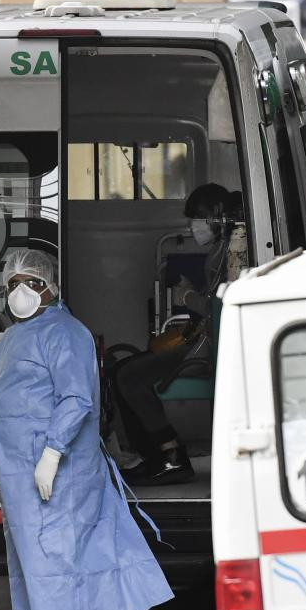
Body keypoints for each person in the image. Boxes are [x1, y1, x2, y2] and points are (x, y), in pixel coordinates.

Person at [0, 249, 173, 610]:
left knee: (60, 574)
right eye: (13, 282)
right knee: (34, 574)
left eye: (31, 281)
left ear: (51, 286)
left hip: (58, 481)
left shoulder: (65, 334)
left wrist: (52, 454)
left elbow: (77, 398)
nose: (20, 291)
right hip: (19, 481)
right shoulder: (10, 340)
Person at [111, 183, 242, 484]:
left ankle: (170, 455)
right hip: (205, 341)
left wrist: (185, 297)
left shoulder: (229, 254)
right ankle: (155, 456)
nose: (191, 226)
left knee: (129, 376)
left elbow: (220, 306)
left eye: (196, 218)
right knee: (123, 370)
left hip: (209, 349)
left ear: (215, 218)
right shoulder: (220, 253)